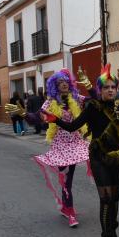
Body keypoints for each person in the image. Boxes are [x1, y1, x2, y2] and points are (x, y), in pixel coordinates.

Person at [42, 64, 119, 237]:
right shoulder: (92, 105)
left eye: (113, 87)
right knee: (106, 198)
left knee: (115, 197)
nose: (110, 90)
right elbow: (74, 125)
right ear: (100, 90)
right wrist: (55, 119)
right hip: (98, 156)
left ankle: (113, 231)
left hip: (116, 157)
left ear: (117, 89)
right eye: (106, 87)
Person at [34, 69, 91, 228]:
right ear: (55, 86)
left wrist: (88, 84)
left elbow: (94, 99)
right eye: (60, 82)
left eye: (66, 81)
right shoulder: (50, 102)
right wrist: (26, 114)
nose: (64, 84)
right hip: (60, 146)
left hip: (74, 144)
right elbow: (37, 117)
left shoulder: (76, 98)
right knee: (66, 180)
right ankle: (70, 212)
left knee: (68, 180)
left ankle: (67, 209)